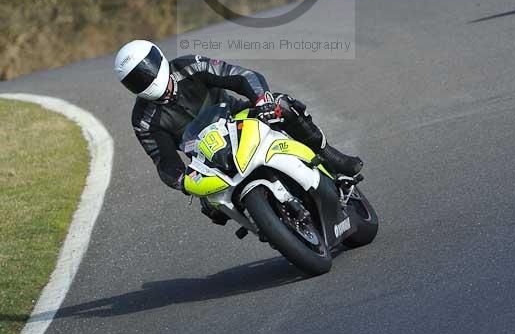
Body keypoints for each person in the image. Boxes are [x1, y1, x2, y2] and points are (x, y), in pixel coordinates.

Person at [115, 40, 363, 222]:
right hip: (207, 157)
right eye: (136, 79)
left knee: (283, 106)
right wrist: (182, 181)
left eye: (146, 70)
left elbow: (241, 76)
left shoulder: (189, 66)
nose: (145, 79)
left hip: (238, 118)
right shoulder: (143, 121)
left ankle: (331, 156)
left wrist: (262, 100)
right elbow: (164, 161)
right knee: (212, 208)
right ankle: (269, 225)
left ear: (158, 59)